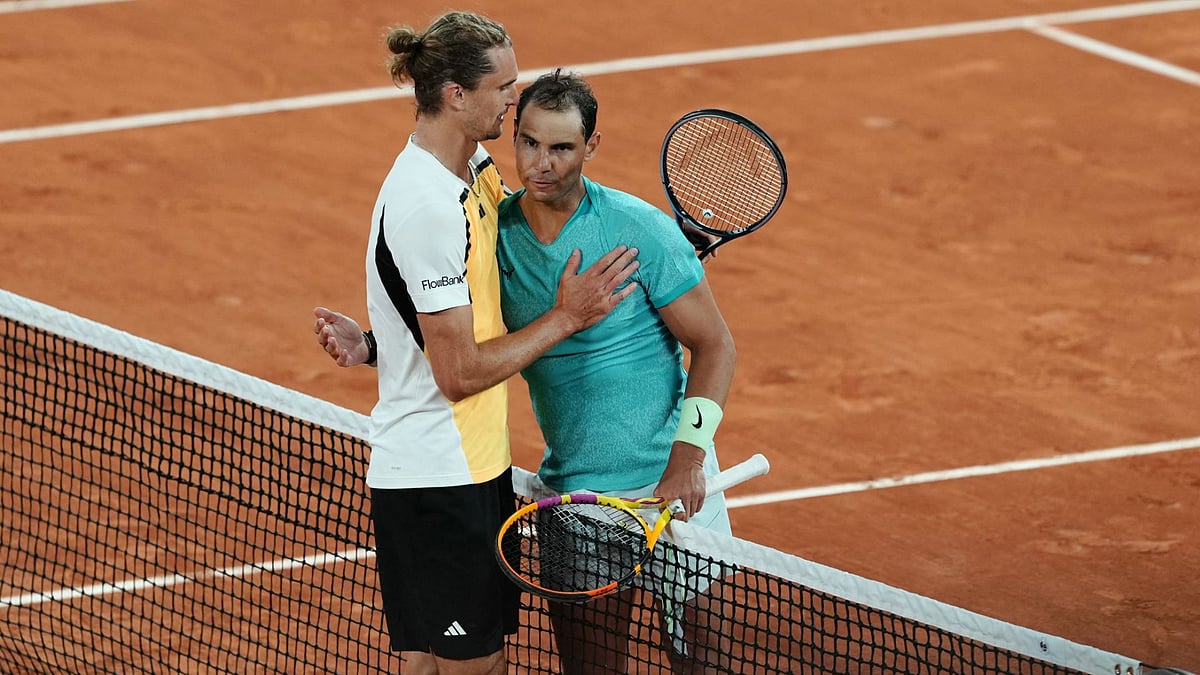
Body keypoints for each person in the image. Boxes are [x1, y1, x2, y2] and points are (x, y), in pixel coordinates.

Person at [312, 13, 640, 675]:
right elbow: (459, 372)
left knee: (431, 665)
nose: (512, 101)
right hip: (438, 477)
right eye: (503, 88)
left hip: (470, 467)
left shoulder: (474, 168)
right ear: (457, 95)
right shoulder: (427, 203)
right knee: (472, 668)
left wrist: (381, 346)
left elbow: (465, 312)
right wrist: (567, 317)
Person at [496, 70, 737, 674]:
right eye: (528, 142)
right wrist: (369, 343)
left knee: (702, 664)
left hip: (677, 499)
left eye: (561, 147)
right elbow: (453, 331)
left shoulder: (641, 231)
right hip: (578, 507)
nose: (540, 164)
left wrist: (687, 460)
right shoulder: (493, 237)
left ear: (592, 147)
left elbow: (715, 347)